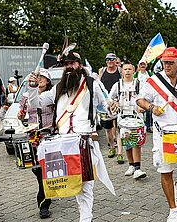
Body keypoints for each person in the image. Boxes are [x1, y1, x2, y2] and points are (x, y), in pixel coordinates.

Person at [28, 50, 116, 222]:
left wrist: (112, 107)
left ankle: (85, 218)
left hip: (84, 142)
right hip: (63, 145)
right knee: (72, 183)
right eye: (66, 64)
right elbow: (36, 103)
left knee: (85, 185)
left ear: (80, 65)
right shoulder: (58, 88)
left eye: (72, 63)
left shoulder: (91, 84)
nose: (68, 67)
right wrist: (32, 87)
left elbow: (107, 106)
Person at [136, 47, 177, 222]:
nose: (166, 65)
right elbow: (140, 100)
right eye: (164, 62)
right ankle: (173, 209)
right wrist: (151, 108)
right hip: (164, 134)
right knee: (166, 171)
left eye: (170, 62)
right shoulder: (154, 81)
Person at [17, 68, 54, 219]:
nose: (40, 79)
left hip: (49, 135)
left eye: (43, 77)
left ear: (48, 81)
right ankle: (46, 192)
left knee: (46, 169)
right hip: (32, 136)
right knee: (37, 169)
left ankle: (44, 204)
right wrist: (20, 116)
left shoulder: (52, 96)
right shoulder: (26, 96)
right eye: (38, 77)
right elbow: (21, 115)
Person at [110, 62, 147, 179]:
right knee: (127, 142)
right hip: (123, 116)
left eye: (129, 69)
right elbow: (111, 98)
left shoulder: (139, 84)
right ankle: (131, 165)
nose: (127, 71)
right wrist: (114, 103)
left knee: (136, 142)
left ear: (133, 70)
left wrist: (142, 106)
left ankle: (138, 168)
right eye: (125, 69)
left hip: (136, 116)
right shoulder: (118, 85)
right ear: (122, 71)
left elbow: (145, 97)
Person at [99, 53, 123, 162]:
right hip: (105, 104)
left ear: (115, 60)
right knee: (108, 128)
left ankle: (120, 153)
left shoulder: (120, 71)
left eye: (112, 60)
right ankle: (112, 147)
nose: (110, 62)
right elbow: (99, 85)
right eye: (108, 59)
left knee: (118, 127)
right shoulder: (102, 71)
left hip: (117, 102)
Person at [133, 60, 153, 133]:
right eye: (141, 64)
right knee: (139, 112)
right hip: (139, 95)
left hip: (148, 95)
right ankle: (139, 127)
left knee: (148, 111)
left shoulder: (150, 73)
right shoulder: (136, 74)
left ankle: (148, 126)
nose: (142, 66)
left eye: (143, 64)